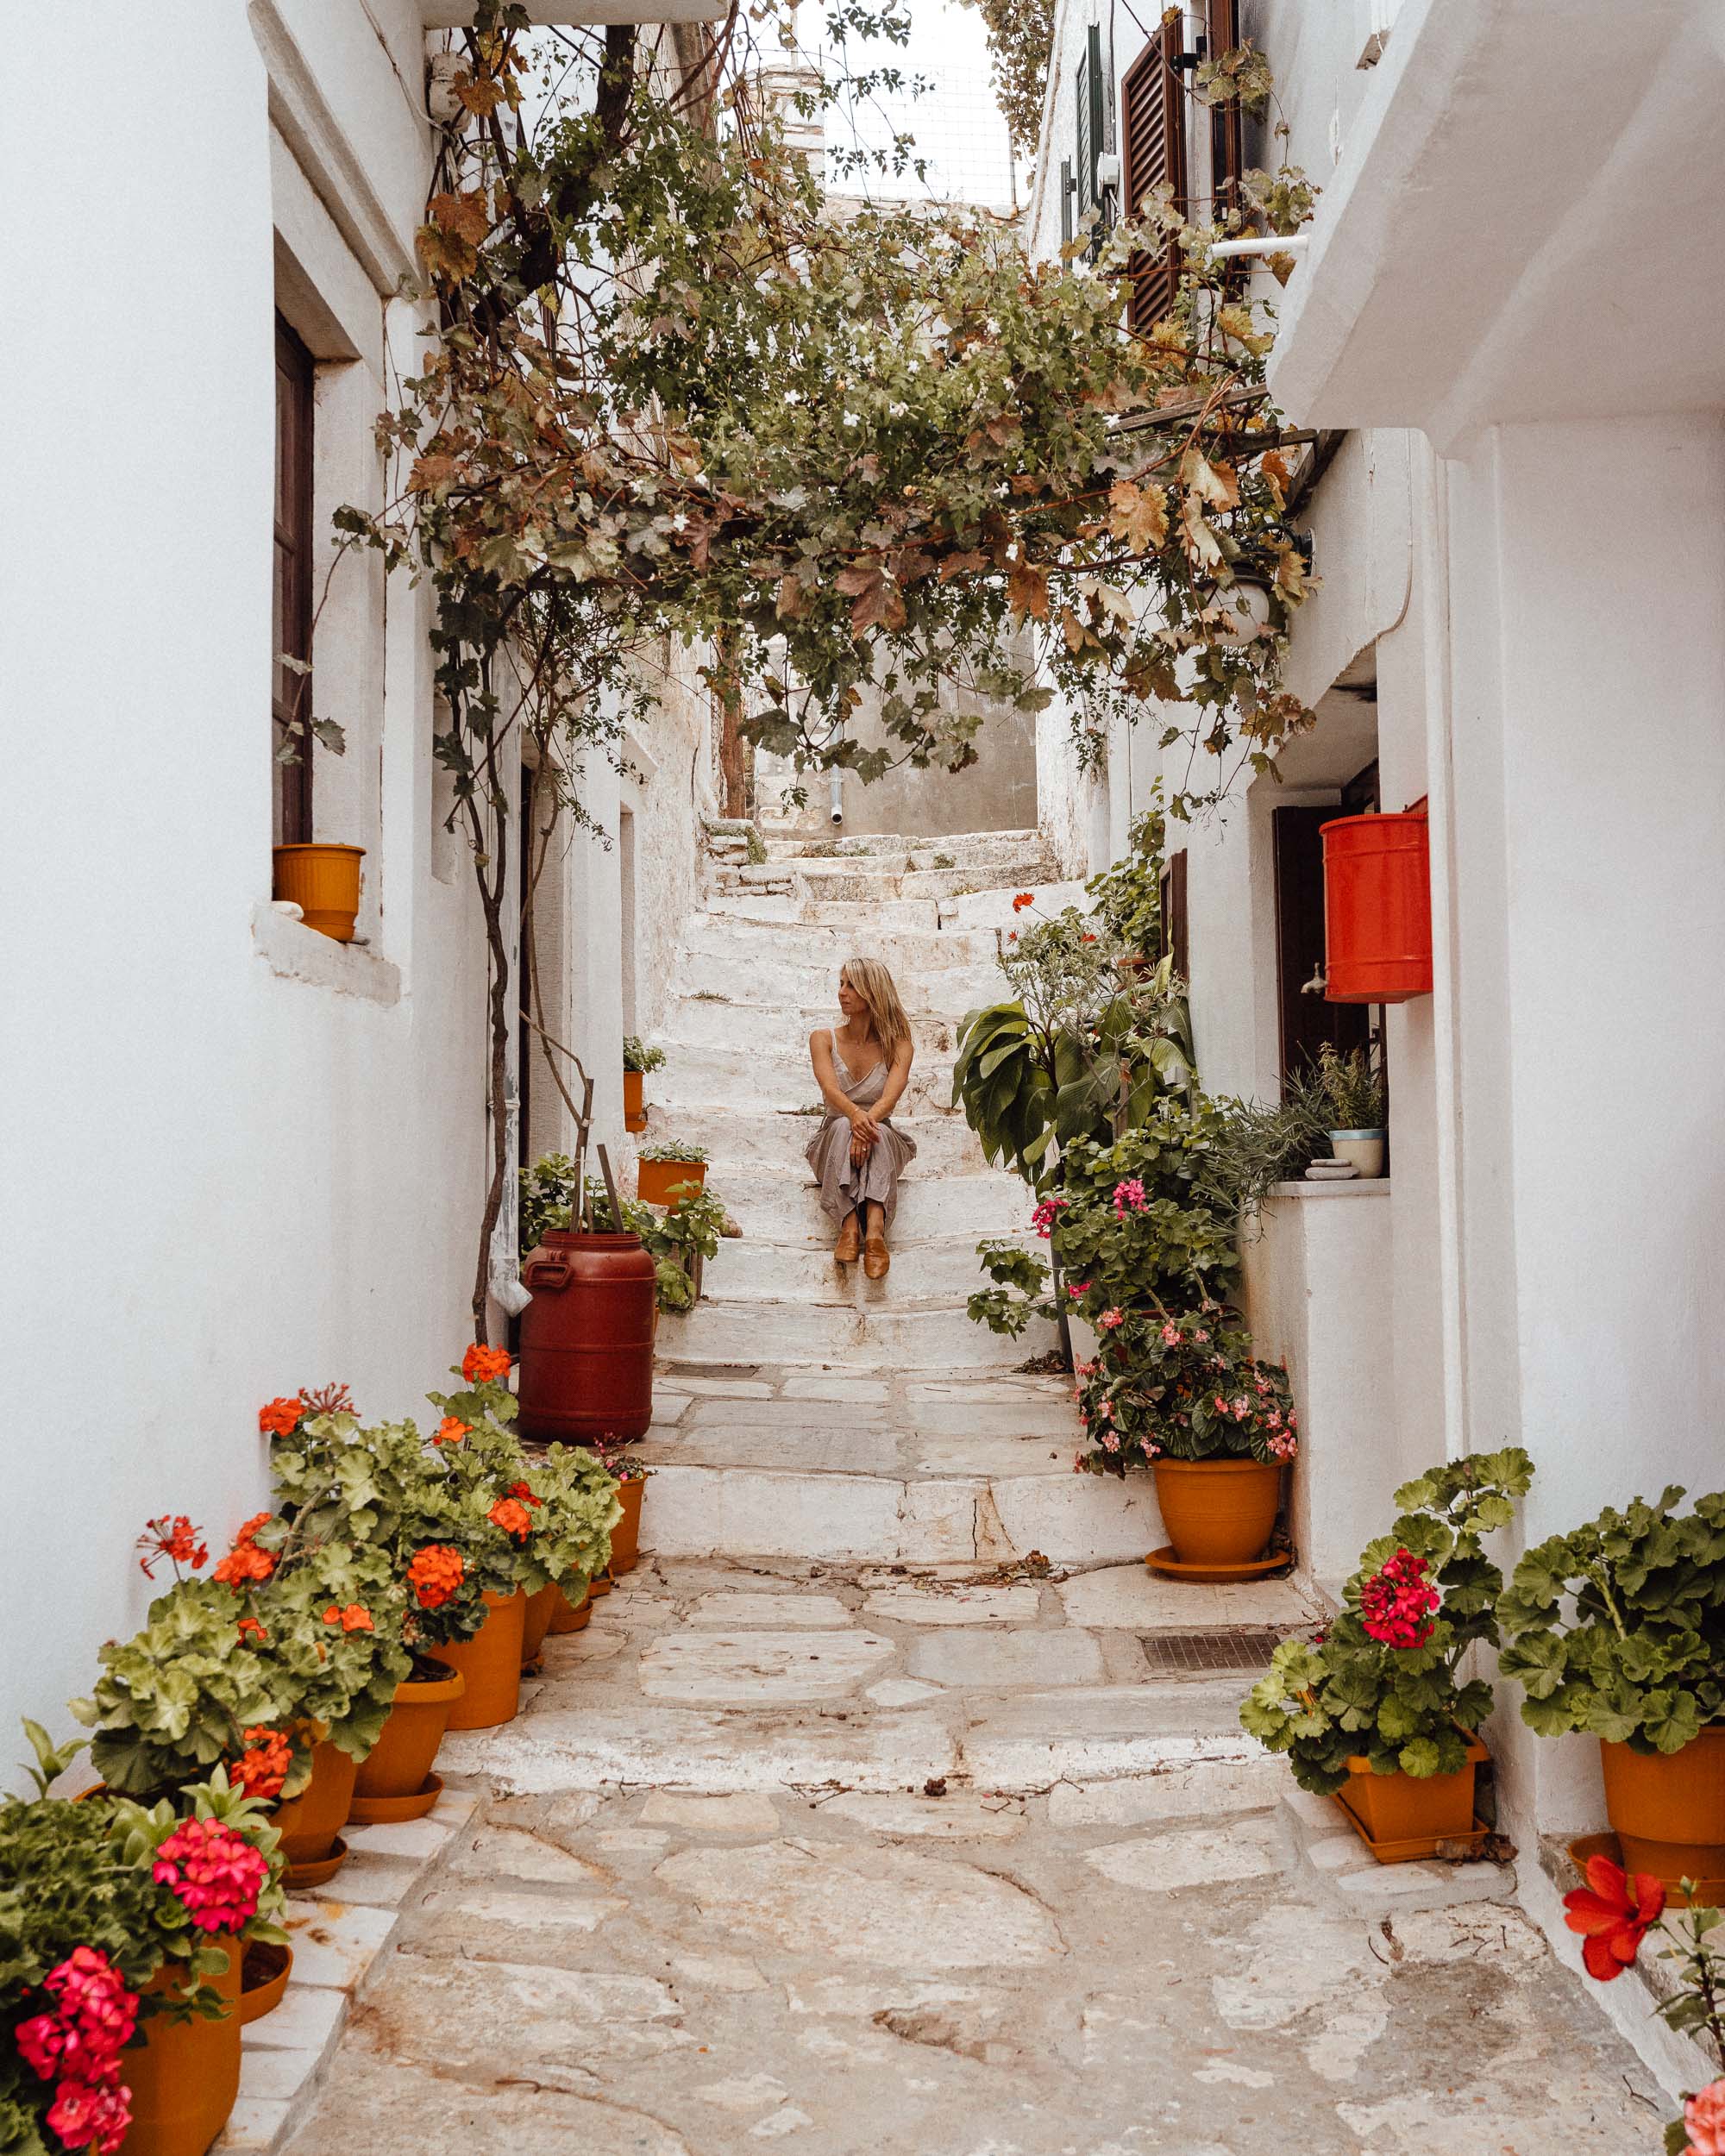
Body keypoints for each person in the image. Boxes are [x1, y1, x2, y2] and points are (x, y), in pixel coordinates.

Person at [806, 957, 917, 1279]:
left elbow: (890, 1098)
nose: (842, 992)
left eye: (851, 985)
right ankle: (850, 1226)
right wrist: (855, 1116)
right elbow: (830, 1089)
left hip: (881, 1137)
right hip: (833, 1139)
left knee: (878, 1130)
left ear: (873, 991)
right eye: (841, 983)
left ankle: (875, 1232)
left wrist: (864, 1127)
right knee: (844, 1124)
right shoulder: (822, 1038)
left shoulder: (900, 1046)